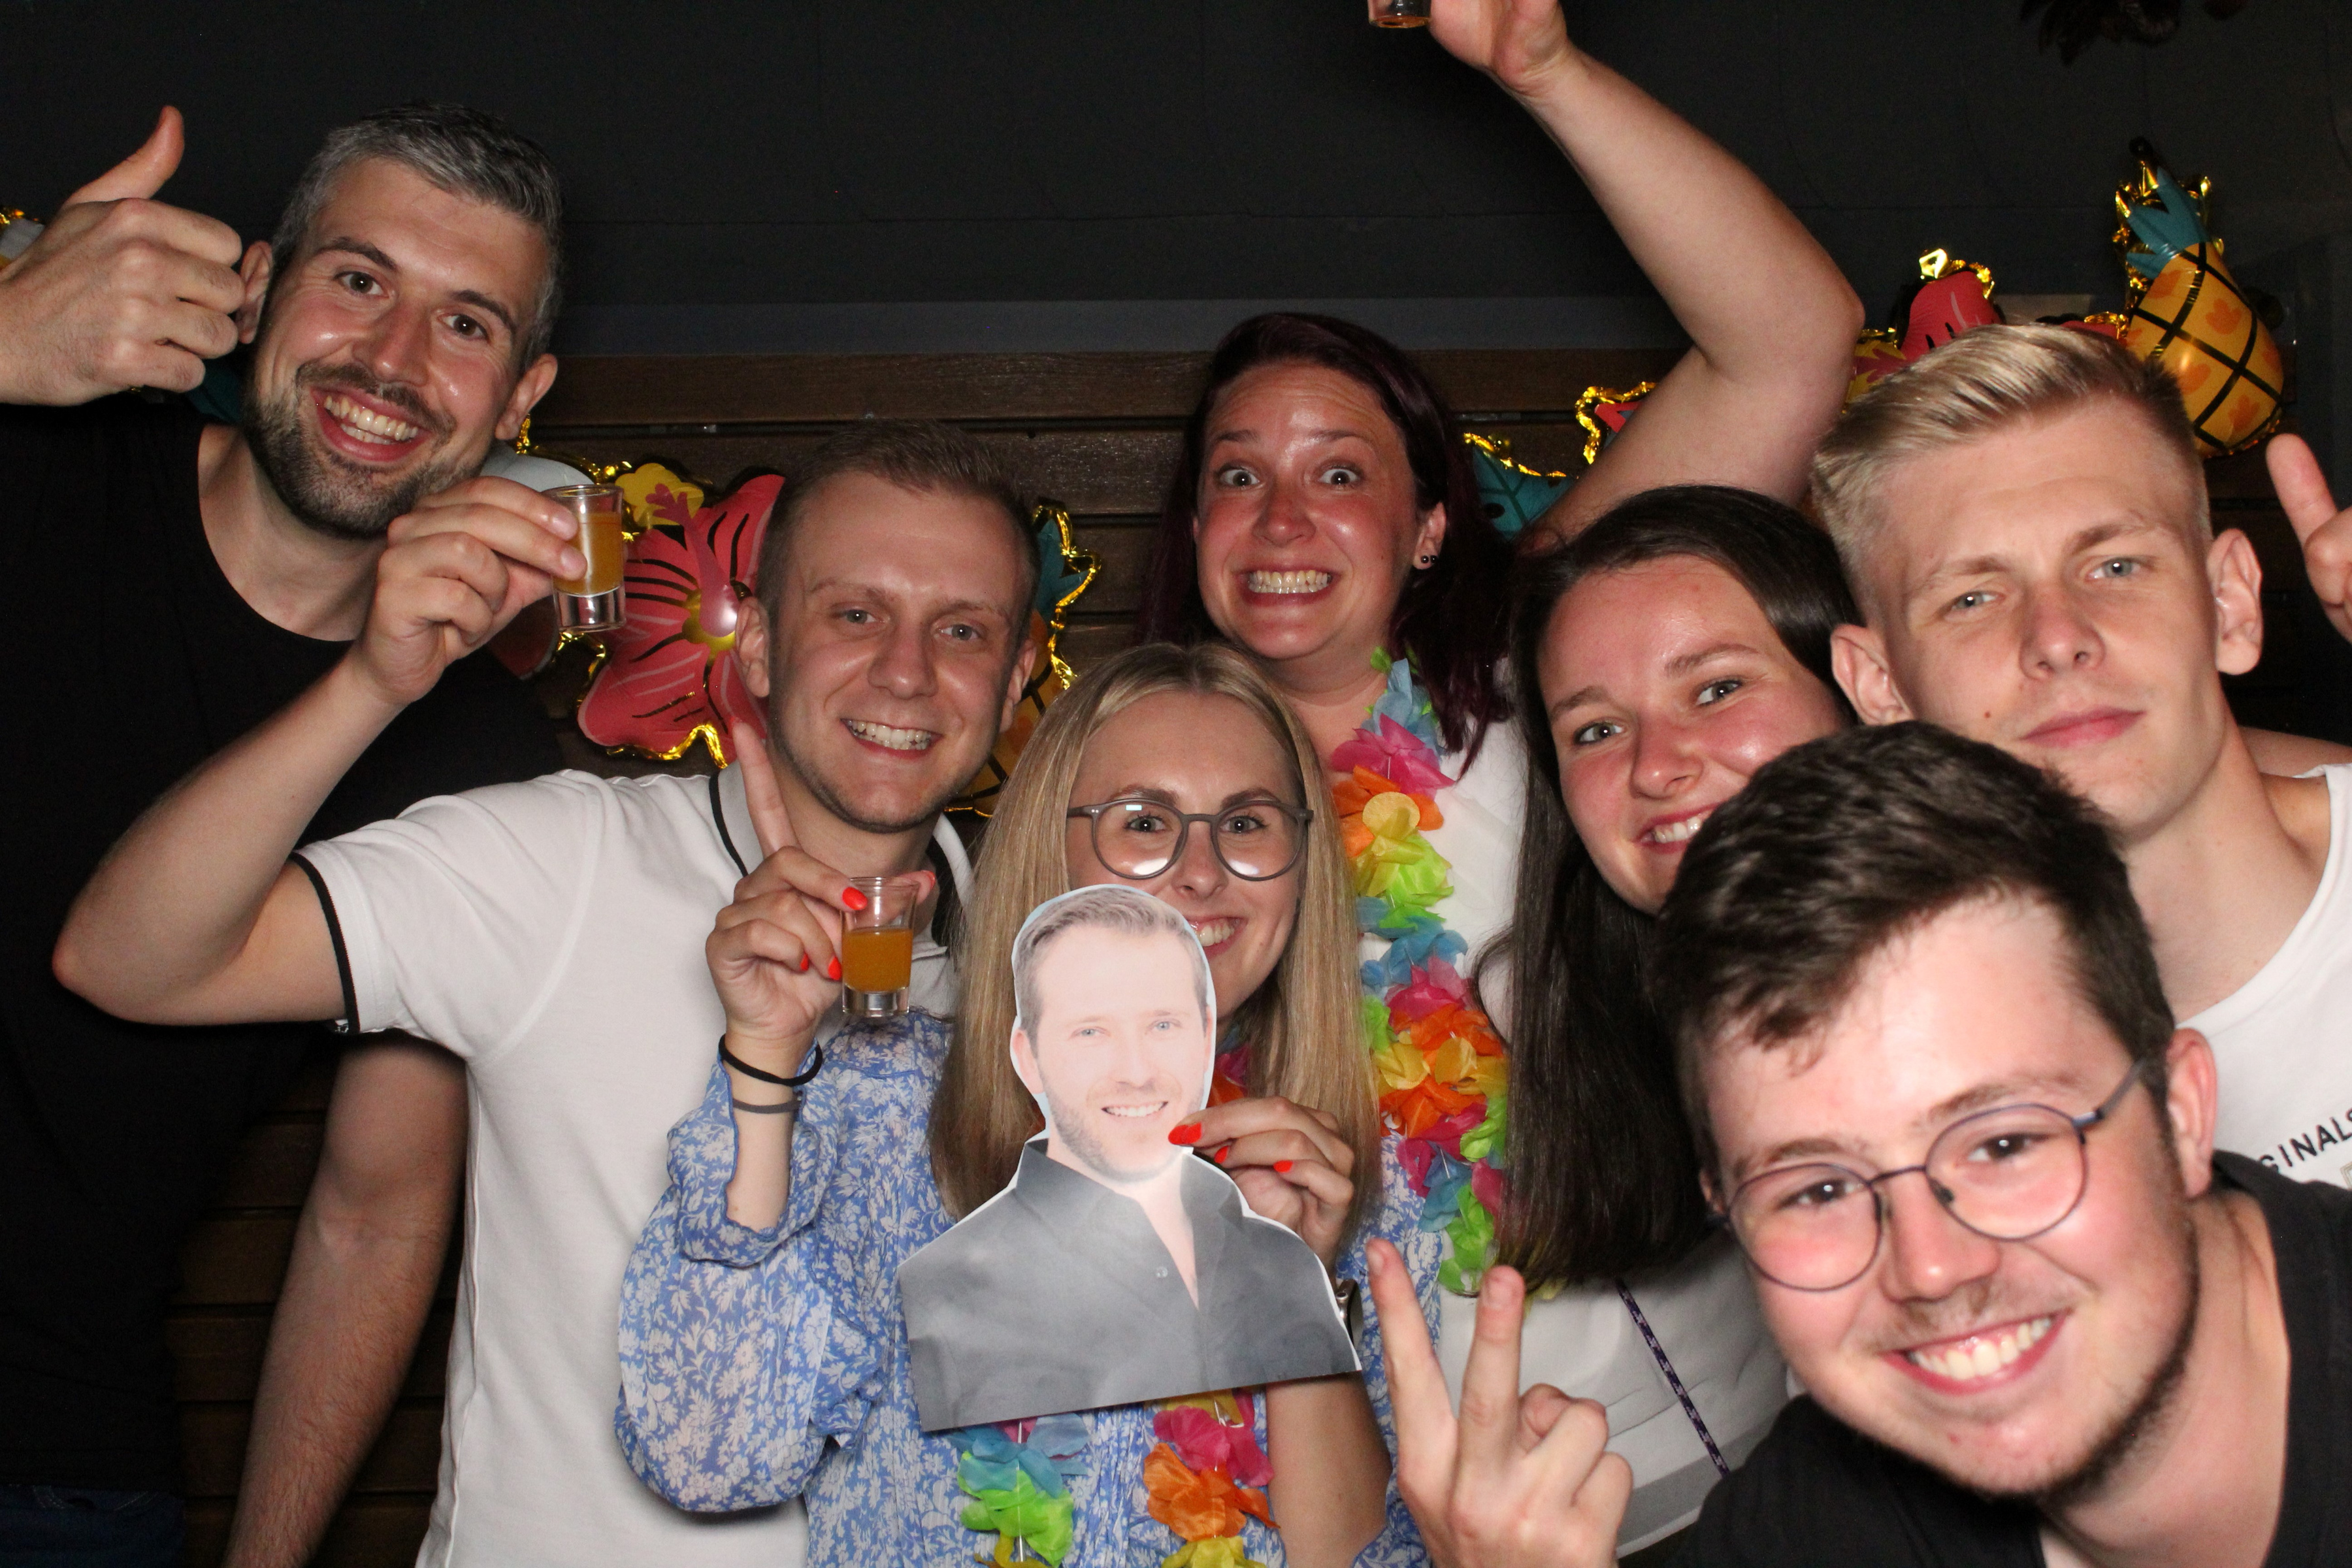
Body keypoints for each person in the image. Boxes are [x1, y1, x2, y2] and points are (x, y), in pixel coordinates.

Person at [54, 421, 1042, 1566]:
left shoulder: (1051, 976)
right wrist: (370, 686)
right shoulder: (562, 864)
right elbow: (132, 959)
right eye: (855, 614)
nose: (907, 671)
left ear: (1017, 677)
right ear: (763, 646)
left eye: (961, 629)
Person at [1133, 0, 1862, 1541]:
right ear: (1192, 533)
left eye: (1340, 473)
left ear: (1428, 529)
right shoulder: (1124, 810)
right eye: (1237, 476)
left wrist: (1545, 69)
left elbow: (1790, 342)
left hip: (1674, 1460)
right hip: (1329, 1492)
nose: (1281, 520)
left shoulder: (1551, 667)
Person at [0, 103, 568, 1566]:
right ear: (255, 288)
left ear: (522, 399)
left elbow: (376, 1212)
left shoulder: (480, 764)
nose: (390, 359)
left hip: (62, 1465)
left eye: (465, 323)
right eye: (358, 279)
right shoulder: (39, 458)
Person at [1373, 721, 2352, 1567]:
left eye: (2004, 1145)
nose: (1930, 1268)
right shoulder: (1816, 1522)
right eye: (1817, 1191)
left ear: (2181, 1113)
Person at [618, 642, 1426, 1567]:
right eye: (1144, 821)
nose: (1201, 871)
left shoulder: (1358, 1173)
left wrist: (1291, 1288)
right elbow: (711, 1462)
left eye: (1246, 824)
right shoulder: (894, 1113)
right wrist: (765, 1059)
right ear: (1054, 846)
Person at [1818, 325, 2352, 1186]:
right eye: (1974, 598)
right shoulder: (1895, 1091)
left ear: (2229, 604)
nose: (2058, 638)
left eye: (2115, 566)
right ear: (1881, 688)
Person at [1473, 486, 1856, 1548]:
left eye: (1717, 688)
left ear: (1863, 681)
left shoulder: (2010, 967)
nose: (1654, 765)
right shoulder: (1667, 1031)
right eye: (1596, 729)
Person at [900, 886, 1357, 1429]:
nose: (1137, 1073)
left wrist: (1297, 1281)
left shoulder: (1266, 1239)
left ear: (1204, 1038)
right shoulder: (948, 1287)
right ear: (1029, 1056)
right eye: (1091, 1032)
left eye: (1163, 1026)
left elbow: (1339, 1492)